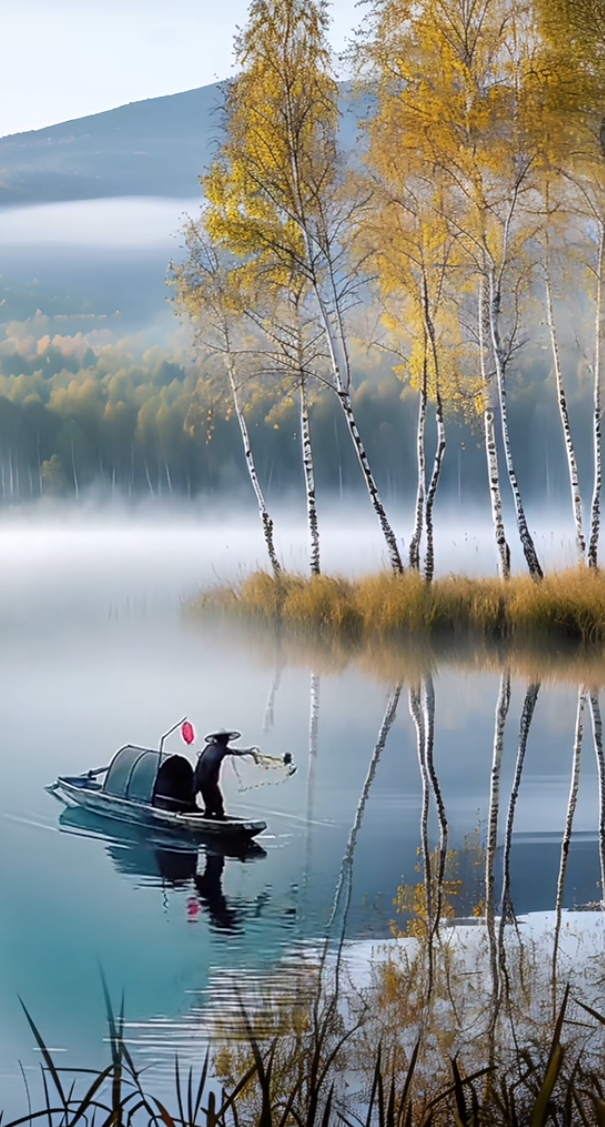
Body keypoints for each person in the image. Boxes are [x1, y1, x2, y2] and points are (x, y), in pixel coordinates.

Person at [193, 729, 257, 819]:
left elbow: (234, 752)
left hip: (200, 777)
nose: (226, 742)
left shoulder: (210, 747)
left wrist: (248, 751)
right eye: (225, 740)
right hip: (207, 778)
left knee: (208, 800)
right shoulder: (221, 749)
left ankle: (208, 814)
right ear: (222, 740)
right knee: (218, 801)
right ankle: (217, 817)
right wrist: (249, 752)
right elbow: (235, 752)